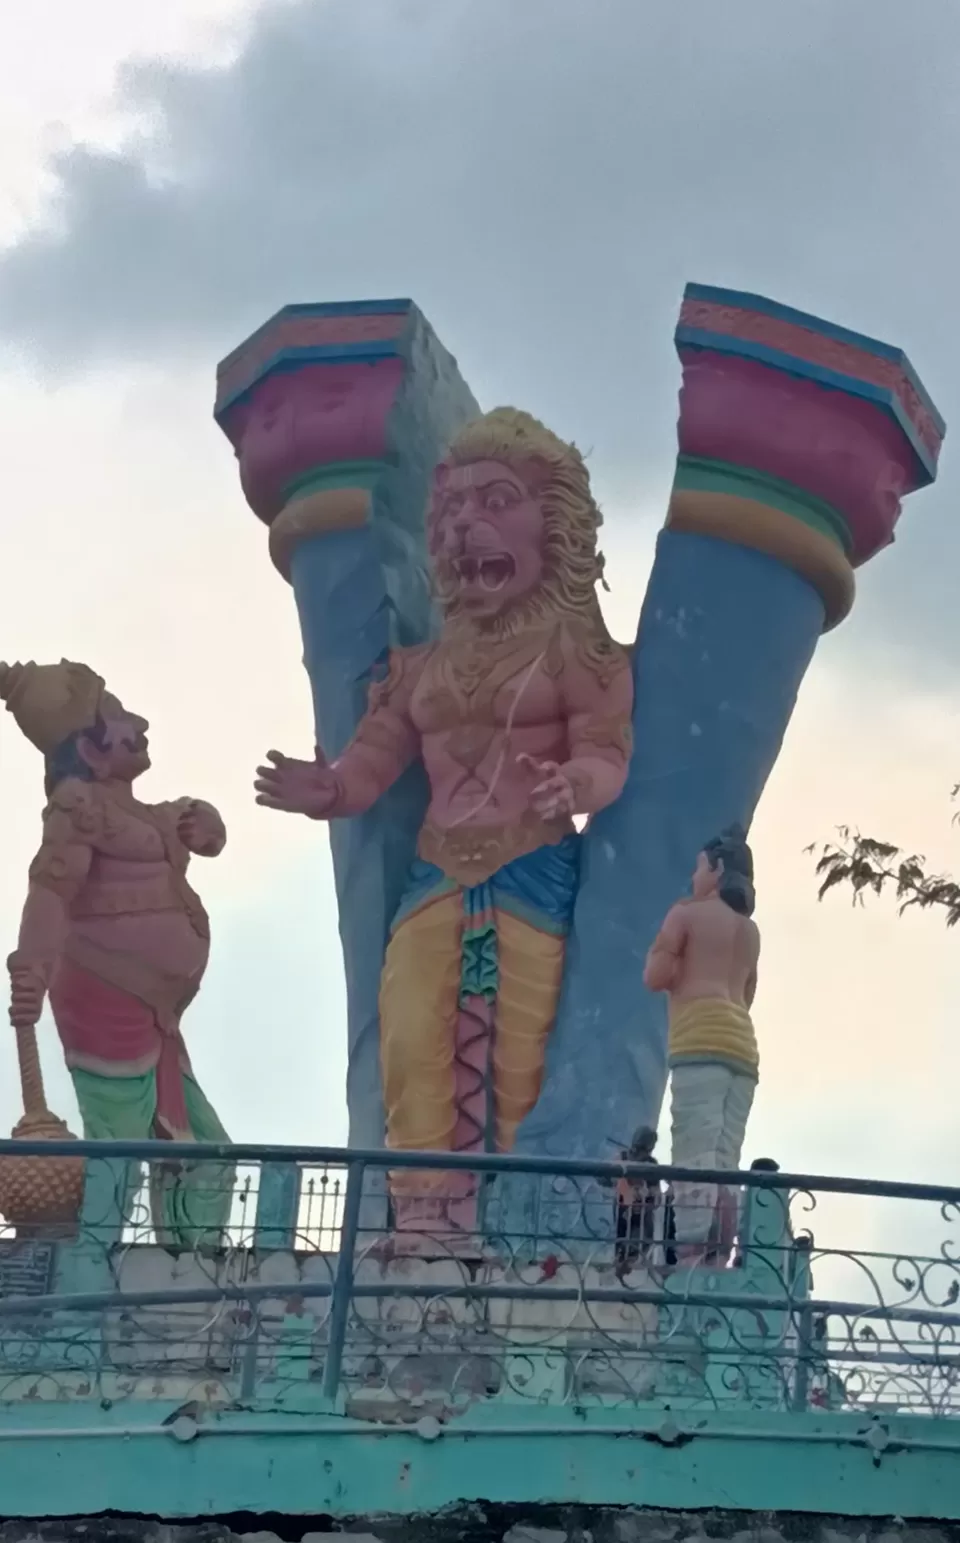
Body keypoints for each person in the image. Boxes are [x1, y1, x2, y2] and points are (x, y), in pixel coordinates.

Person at [255, 409, 634, 1229]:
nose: (469, 528)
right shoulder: (420, 666)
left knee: (524, 1057)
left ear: (555, 527)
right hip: (433, 879)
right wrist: (324, 787)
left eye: (497, 502)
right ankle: (423, 1230)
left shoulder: (579, 654)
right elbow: (371, 763)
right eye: (456, 510)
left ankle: (519, 1233)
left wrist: (570, 781)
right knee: (412, 1047)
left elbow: (608, 758)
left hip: (533, 875)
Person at [3, 659, 233, 1248]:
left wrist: (206, 825)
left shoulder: (144, 813)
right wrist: (30, 960)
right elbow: (51, 890)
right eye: (118, 716)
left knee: (208, 1153)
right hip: (106, 1003)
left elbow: (198, 829)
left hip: (160, 1021)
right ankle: (92, 1267)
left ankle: (193, 1258)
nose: (140, 724)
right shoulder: (78, 809)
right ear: (92, 748)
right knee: (117, 1147)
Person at [643, 825, 760, 1265]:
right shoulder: (750, 931)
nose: (694, 877)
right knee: (725, 1158)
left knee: (694, 1152)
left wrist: (663, 950)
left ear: (717, 869)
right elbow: (748, 993)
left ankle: (692, 1253)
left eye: (698, 868)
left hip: (700, 1040)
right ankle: (716, 1253)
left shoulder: (686, 913)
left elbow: (656, 976)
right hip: (741, 1046)